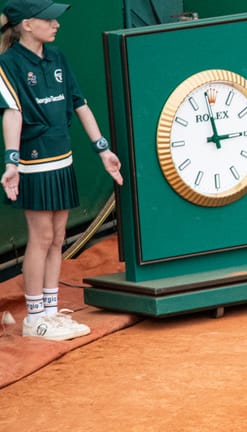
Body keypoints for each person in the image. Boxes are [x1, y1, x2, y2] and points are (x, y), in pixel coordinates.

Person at [0, 0, 123, 340]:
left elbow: (79, 103)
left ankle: (51, 315)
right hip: (34, 164)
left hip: (63, 159)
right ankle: (33, 318)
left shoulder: (58, 58)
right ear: (26, 24)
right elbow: (12, 113)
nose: (56, 25)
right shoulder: (7, 65)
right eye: (48, 19)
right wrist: (12, 162)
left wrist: (103, 149)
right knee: (40, 239)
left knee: (56, 239)